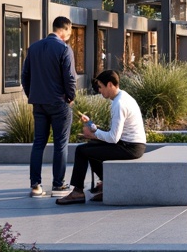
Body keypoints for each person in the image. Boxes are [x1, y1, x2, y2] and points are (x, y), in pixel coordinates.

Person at [56, 70, 146, 206]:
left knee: (82, 150)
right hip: (130, 144)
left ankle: (78, 192)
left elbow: (113, 138)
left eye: (100, 87)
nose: (99, 90)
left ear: (109, 84)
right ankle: (107, 185)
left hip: (130, 148)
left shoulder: (119, 103)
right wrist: (92, 126)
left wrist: (93, 133)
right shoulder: (122, 98)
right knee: (91, 147)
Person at [22, 16, 77, 197]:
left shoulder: (34, 48)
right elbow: (70, 78)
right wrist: (71, 96)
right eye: (70, 31)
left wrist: (33, 95)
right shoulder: (64, 49)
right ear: (66, 30)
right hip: (59, 102)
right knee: (61, 144)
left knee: (39, 143)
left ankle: (35, 186)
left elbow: (25, 76)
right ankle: (58, 185)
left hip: (39, 103)